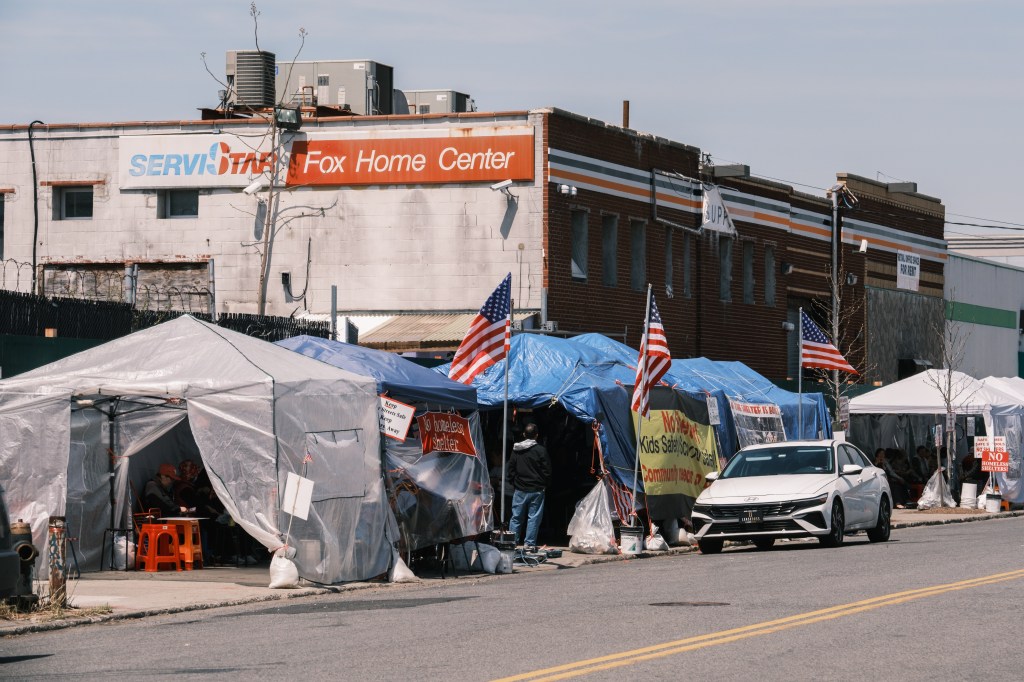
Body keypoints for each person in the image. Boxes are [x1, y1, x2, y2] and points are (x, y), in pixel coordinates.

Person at [508, 423, 552, 551]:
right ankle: (529, 544)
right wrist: (545, 484)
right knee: (533, 518)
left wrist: (514, 482)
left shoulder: (517, 449)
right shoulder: (541, 450)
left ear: (523, 434)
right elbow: (547, 471)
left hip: (520, 489)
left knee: (516, 517)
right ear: (537, 435)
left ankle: (512, 544)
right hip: (537, 490)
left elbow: (511, 468)